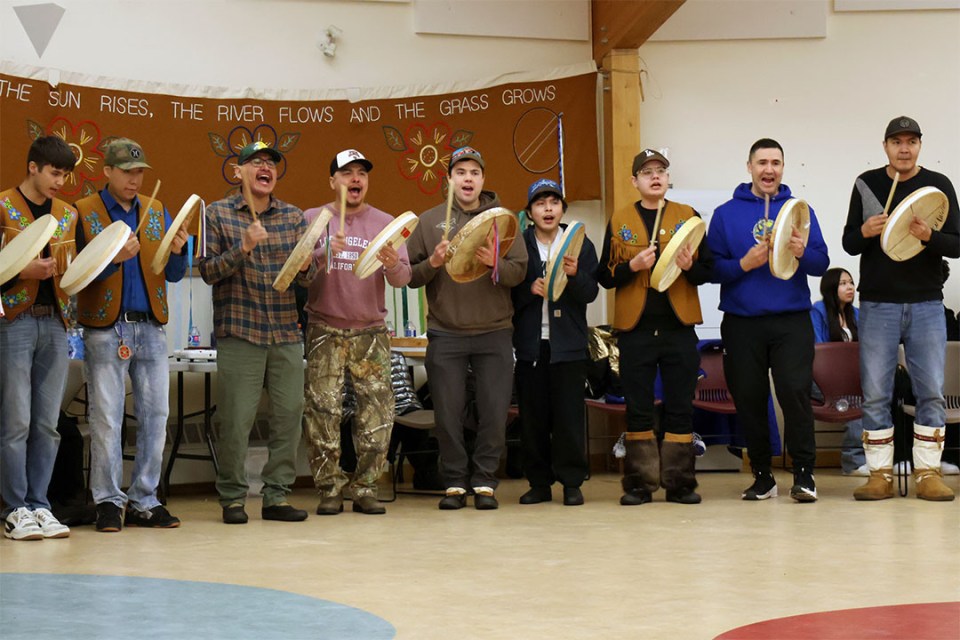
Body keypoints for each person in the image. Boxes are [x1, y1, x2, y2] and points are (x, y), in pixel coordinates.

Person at [842, 116, 959, 502]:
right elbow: (848, 243)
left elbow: (957, 244)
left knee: (931, 392)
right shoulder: (866, 183)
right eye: (897, 142)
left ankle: (928, 473)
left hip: (927, 302)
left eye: (911, 141)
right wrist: (865, 231)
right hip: (878, 303)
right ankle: (879, 475)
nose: (904, 149)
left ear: (920, 145)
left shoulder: (938, 185)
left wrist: (929, 237)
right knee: (875, 393)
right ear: (885, 146)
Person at [74, 138, 188, 532]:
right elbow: (77, 275)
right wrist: (113, 260)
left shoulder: (156, 211)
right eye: (126, 172)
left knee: (157, 414)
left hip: (152, 325)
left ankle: (145, 499)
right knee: (106, 416)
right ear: (107, 171)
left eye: (139, 172)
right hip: (106, 327)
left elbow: (173, 275)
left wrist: (179, 251)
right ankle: (107, 500)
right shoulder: (84, 212)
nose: (134, 179)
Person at [200, 141, 316, 523]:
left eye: (271, 163)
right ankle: (233, 498)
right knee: (236, 420)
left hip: (285, 331)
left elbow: (307, 277)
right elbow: (207, 271)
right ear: (239, 171)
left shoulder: (293, 216)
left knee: (290, 415)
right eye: (256, 162)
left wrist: (306, 268)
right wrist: (243, 247)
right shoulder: (217, 213)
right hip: (240, 331)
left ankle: (276, 496)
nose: (265, 167)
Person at [707, 138, 829, 502]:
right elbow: (710, 269)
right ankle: (762, 476)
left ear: (783, 168)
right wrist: (743, 264)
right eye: (762, 163)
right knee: (749, 398)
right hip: (742, 322)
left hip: (791, 320)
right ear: (750, 167)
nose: (769, 170)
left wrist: (802, 252)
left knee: (794, 392)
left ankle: (804, 474)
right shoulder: (725, 214)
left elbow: (821, 264)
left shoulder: (800, 210)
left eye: (775, 163)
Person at [406, 146, 528, 510]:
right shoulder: (429, 222)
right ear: (449, 180)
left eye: (474, 172)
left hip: (494, 331)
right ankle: (455, 482)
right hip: (446, 332)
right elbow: (410, 276)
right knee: (447, 414)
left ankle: (485, 481)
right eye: (461, 172)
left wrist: (495, 263)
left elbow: (520, 272)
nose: (468, 179)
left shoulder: (504, 221)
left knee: (494, 412)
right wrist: (433, 262)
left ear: (483, 179)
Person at [597, 150, 714, 505]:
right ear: (635, 181)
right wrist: (631, 266)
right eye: (647, 172)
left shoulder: (688, 217)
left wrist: (690, 266)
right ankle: (639, 484)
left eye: (661, 170)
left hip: (679, 327)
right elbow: (604, 276)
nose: (655, 176)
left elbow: (708, 272)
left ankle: (680, 484)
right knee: (638, 408)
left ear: (667, 177)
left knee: (681, 406)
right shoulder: (620, 219)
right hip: (636, 329)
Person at [302, 149, 411, 516]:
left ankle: (365, 488)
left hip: (371, 331)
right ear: (332, 181)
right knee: (323, 411)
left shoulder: (386, 223)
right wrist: (321, 252)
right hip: (324, 327)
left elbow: (404, 278)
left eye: (362, 172)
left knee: (377, 414)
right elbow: (297, 275)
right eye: (347, 172)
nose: (355, 178)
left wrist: (393, 264)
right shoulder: (313, 219)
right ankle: (329, 489)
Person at [1, 136, 77, 540]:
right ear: (33, 167)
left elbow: (76, 268)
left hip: (56, 322)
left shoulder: (67, 214)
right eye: (54, 173)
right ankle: (15, 508)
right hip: (14, 320)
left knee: (48, 423)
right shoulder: (3, 206)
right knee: (16, 420)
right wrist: (22, 272)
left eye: (64, 175)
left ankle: (40, 504)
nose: (60, 182)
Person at [512, 178, 598, 506]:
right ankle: (539, 483)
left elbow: (591, 292)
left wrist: (575, 276)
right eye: (540, 203)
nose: (548, 209)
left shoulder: (579, 243)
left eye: (553, 202)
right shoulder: (519, 244)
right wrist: (528, 290)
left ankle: (572, 482)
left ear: (562, 208)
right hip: (531, 346)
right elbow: (506, 293)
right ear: (529, 212)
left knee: (569, 418)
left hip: (569, 346)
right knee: (533, 419)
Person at [810, 267, 866, 476]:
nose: (850, 287)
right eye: (843, 284)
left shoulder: (857, 314)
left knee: (876, 396)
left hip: (851, 380)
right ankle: (853, 462)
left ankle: (886, 458)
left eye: (851, 282)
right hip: (821, 381)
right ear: (831, 288)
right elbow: (818, 350)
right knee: (856, 400)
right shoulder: (818, 311)